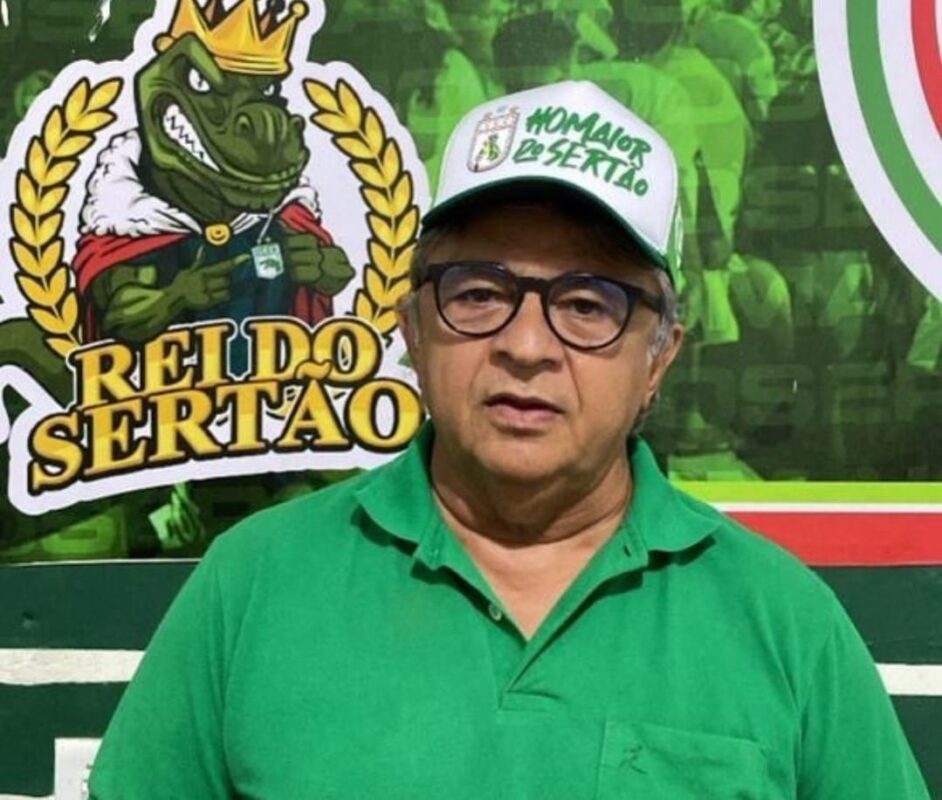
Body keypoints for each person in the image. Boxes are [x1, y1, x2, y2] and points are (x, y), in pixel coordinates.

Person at [89, 81, 929, 799]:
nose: (526, 346)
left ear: (659, 358)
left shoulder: (783, 623)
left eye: (588, 304)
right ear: (414, 330)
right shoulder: (253, 585)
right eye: (480, 292)